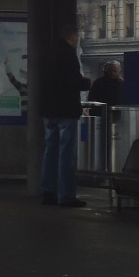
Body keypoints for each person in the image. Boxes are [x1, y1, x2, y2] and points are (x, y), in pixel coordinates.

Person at [40, 24, 92, 208]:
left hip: (48, 109)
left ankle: (48, 191)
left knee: (50, 150)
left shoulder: (47, 52)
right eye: (77, 35)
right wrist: (86, 83)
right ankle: (66, 195)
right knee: (66, 153)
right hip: (65, 110)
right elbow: (73, 81)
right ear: (72, 36)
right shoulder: (68, 54)